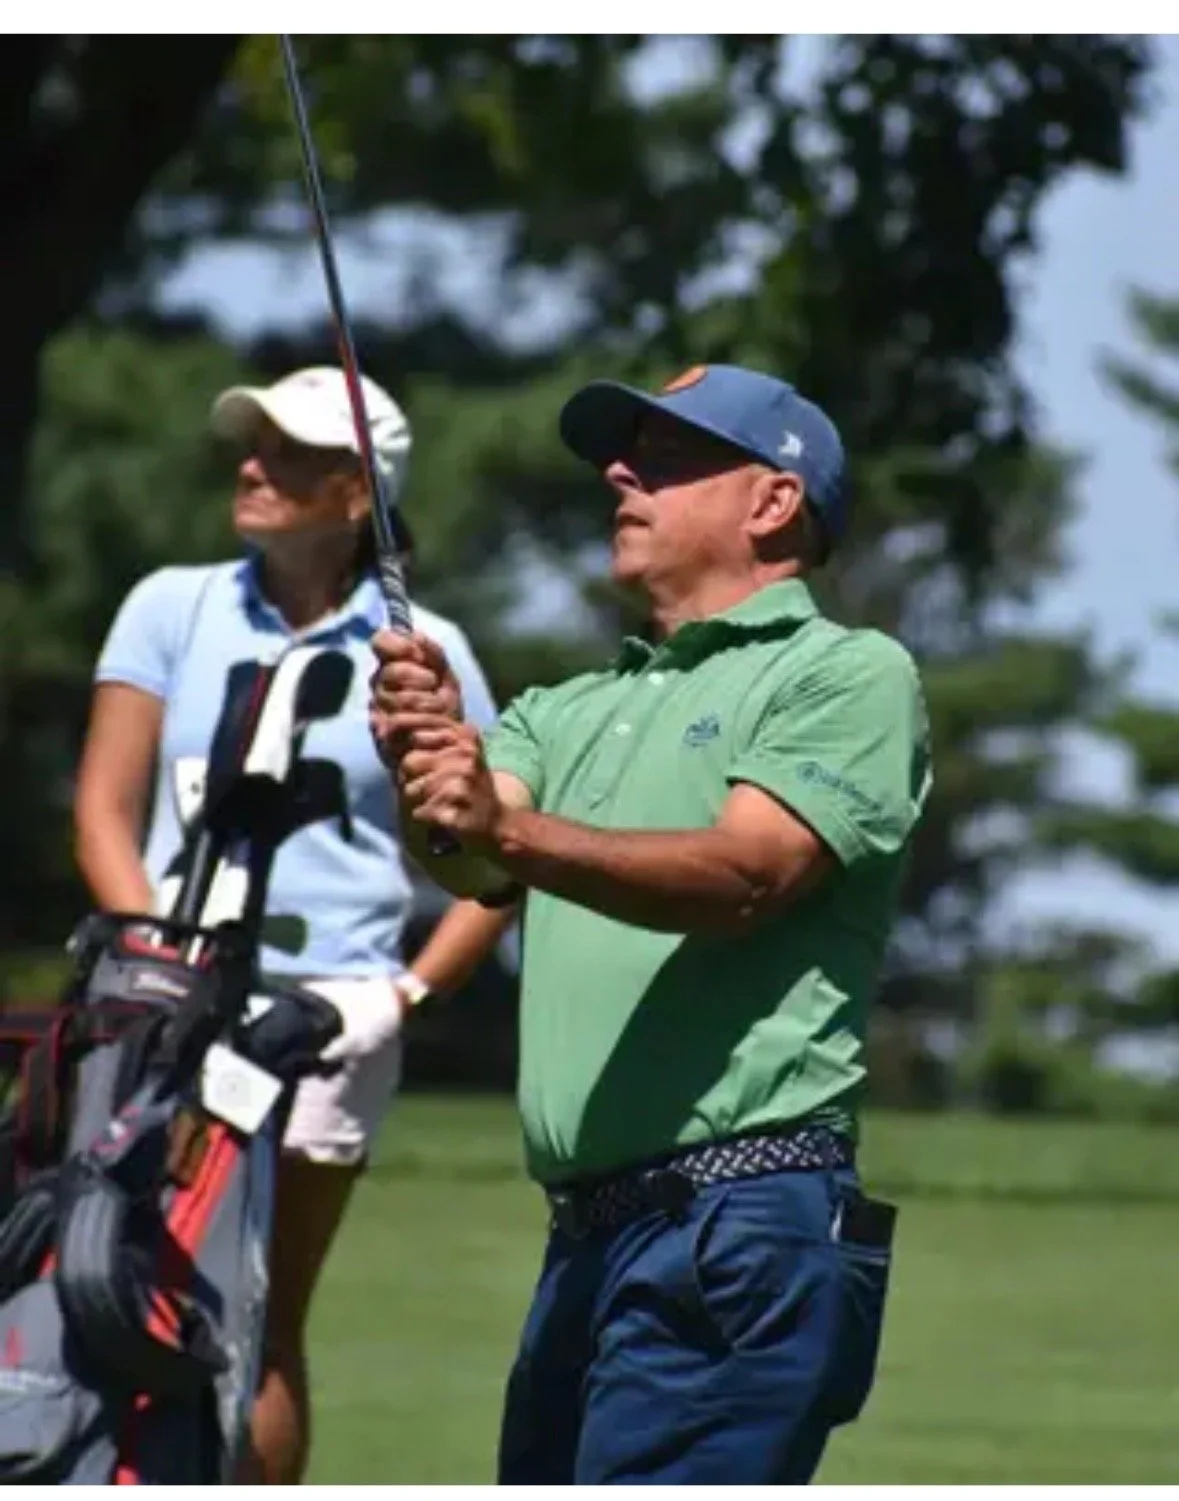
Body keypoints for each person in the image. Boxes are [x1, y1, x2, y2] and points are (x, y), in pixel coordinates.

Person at [369, 363, 933, 1484]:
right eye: (623, 457)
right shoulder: (567, 706)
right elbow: (472, 857)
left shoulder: (847, 673)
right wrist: (425, 769)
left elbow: (746, 877)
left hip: (740, 1223)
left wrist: (497, 825)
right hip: (589, 1237)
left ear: (774, 502)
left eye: (668, 456)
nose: (620, 474)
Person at [73, 365, 514, 1484]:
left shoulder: (428, 651)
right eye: (251, 444)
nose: (252, 467)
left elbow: (498, 861)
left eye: (290, 453)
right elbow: (102, 812)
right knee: (115, 1284)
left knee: (261, 1313)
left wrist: (405, 997)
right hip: (159, 1003)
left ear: (358, 493)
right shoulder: (171, 605)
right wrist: (153, 962)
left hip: (333, 1015)